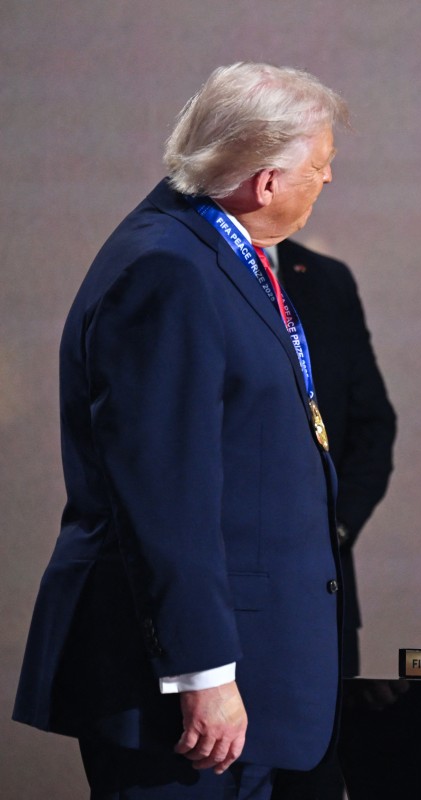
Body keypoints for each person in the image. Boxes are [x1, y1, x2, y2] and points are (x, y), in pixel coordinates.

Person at [13, 62, 349, 798]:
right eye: (320, 167)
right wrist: (202, 675)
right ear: (265, 181)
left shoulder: (214, 256)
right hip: (185, 696)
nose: (326, 183)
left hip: (245, 676)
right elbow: (165, 494)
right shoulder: (168, 268)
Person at [264, 239, 396, 800]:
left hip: (323, 593)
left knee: (313, 781)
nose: (327, 177)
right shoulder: (193, 270)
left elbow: (373, 427)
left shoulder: (325, 279)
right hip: (233, 596)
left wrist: (330, 533)